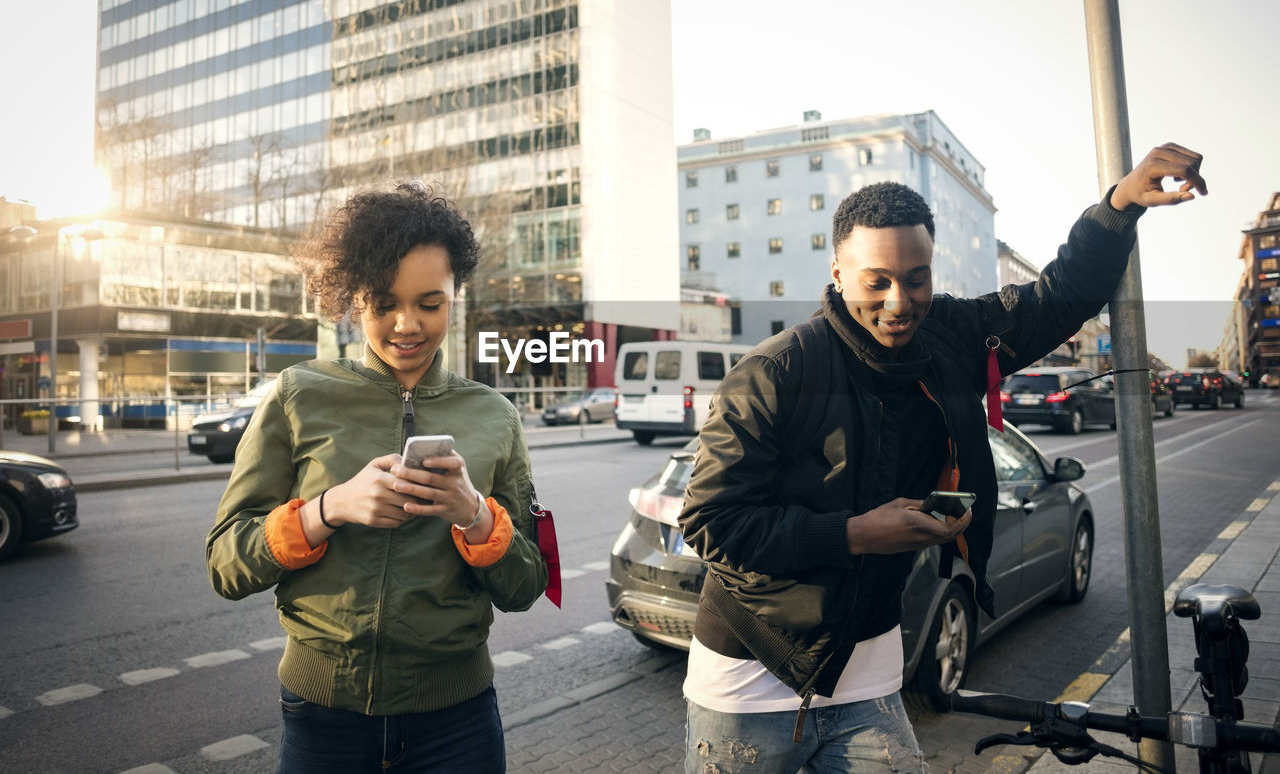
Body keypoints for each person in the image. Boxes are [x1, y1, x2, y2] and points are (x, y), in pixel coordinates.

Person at [678, 143, 1207, 773]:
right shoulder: (775, 372)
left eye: (916, 277)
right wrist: (854, 536)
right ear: (839, 273)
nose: (899, 301)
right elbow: (712, 521)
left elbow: (1059, 297)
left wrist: (1119, 206)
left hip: (870, 670)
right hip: (750, 674)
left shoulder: (954, 336)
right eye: (876, 281)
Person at [205, 181, 549, 774]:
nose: (407, 324)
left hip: (458, 722)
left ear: (455, 296)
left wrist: (473, 513)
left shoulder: (494, 414)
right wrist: (326, 510)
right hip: (323, 718)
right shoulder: (297, 396)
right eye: (383, 302)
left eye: (430, 303)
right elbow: (225, 566)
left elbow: (524, 587)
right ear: (353, 299)